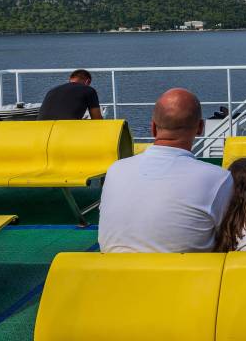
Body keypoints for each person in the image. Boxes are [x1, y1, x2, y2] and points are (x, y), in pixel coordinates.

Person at [98, 88, 234, 252]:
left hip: (113, 275)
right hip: (186, 276)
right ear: (200, 128)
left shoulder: (116, 170)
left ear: (153, 128)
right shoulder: (218, 178)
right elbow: (230, 236)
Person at [37, 69, 102, 120]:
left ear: (70, 79)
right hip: (67, 129)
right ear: (87, 81)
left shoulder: (52, 90)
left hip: (41, 128)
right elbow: (96, 119)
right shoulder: (88, 90)